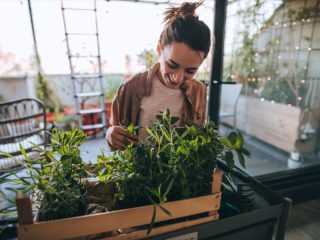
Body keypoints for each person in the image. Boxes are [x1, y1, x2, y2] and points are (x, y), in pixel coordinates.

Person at [106, 1, 212, 150]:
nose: (178, 78)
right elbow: (114, 130)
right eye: (172, 65)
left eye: (190, 71)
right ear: (159, 49)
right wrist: (110, 133)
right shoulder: (130, 88)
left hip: (180, 172)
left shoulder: (199, 91)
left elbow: (198, 137)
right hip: (141, 170)